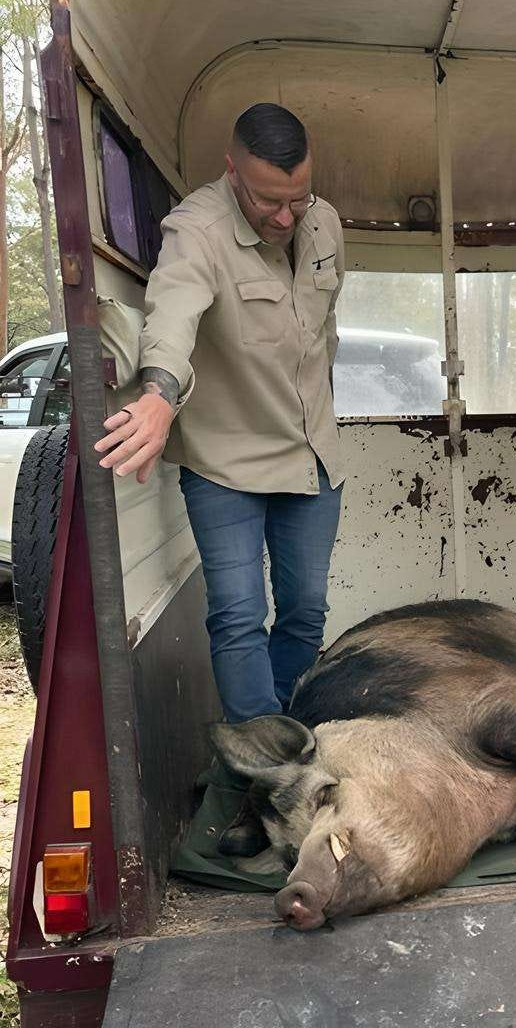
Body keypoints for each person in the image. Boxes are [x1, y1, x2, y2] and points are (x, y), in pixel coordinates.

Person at [94, 103, 345, 855]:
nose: (284, 214)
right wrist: (161, 393)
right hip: (225, 462)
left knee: (303, 612)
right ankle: (264, 788)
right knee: (237, 616)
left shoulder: (325, 224)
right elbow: (170, 312)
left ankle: (281, 753)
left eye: (297, 197)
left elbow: (322, 334)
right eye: (269, 199)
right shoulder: (196, 229)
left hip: (311, 455)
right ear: (231, 169)